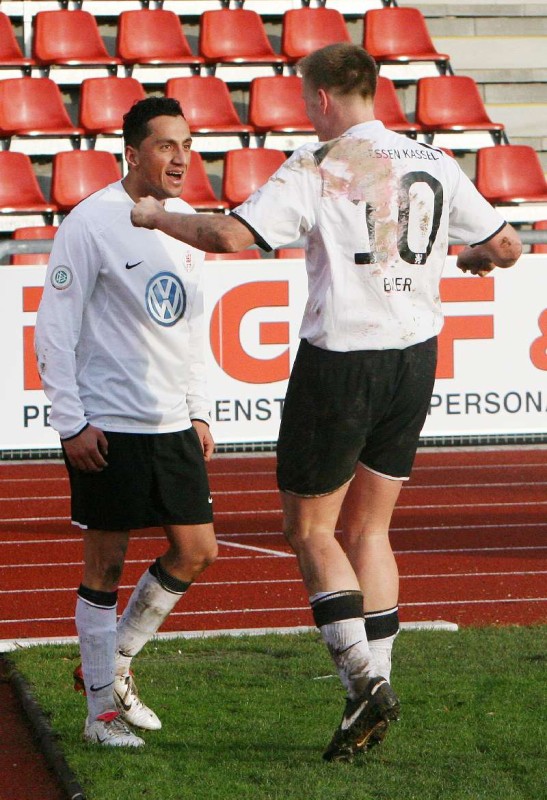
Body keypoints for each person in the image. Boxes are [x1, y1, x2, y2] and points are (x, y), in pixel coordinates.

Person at [130, 44, 522, 762]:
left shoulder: (321, 164)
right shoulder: (433, 159)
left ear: (317, 97)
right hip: (415, 358)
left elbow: (227, 235)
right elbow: (507, 245)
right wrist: (465, 259)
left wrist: (155, 216)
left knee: (311, 530)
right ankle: (376, 690)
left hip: (342, 361)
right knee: (369, 531)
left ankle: (363, 680)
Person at [35, 97, 218, 748]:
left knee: (197, 550)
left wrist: (197, 408)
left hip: (171, 421)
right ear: (133, 153)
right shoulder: (91, 222)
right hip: (109, 424)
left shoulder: (188, 226)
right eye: (167, 145)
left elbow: (192, 326)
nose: (180, 157)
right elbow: (53, 327)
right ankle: (100, 717)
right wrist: (70, 423)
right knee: (104, 567)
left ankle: (112, 667)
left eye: (187, 145)